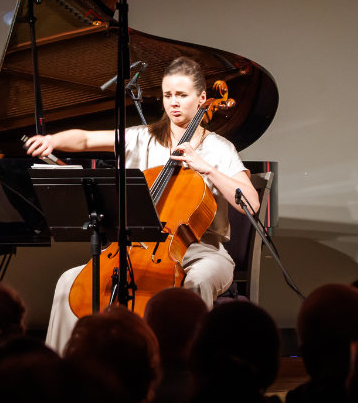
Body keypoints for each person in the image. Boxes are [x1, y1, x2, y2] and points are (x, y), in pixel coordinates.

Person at [25, 57, 260, 350]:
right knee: (68, 281)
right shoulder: (143, 137)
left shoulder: (218, 148)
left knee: (195, 283)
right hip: (134, 248)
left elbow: (251, 203)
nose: (173, 103)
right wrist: (53, 140)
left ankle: (186, 367)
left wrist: (207, 168)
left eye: (182, 95)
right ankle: (61, 365)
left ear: (202, 99)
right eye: (168, 95)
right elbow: (84, 140)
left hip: (201, 251)